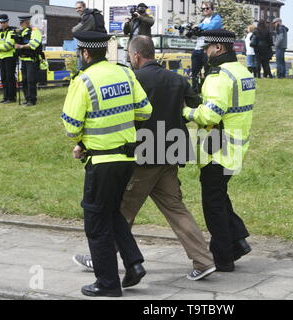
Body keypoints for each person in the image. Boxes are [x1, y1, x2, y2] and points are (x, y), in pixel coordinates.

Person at [73, 36, 217, 281]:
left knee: (120, 210)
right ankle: (203, 260)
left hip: (143, 154)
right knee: (176, 209)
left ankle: (102, 259)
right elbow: (195, 108)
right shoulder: (177, 79)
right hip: (171, 152)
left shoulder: (132, 79)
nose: (130, 59)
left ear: (136, 56)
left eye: (130, 55)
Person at [62, 31, 152, 297]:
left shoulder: (83, 80)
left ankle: (107, 284)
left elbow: (71, 126)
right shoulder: (124, 73)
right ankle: (134, 264)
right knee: (112, 213)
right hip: (126, 159)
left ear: (86, 53)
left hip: (101, 162)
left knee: (96, 222)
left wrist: (81, 141)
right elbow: (145, 110)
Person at [182, 29, 255, 272]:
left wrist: (186, 112)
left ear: (219, 49)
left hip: (217, 149)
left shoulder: (218, 76)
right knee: (220, 196)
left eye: (207, 48)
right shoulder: (243, 72)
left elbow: (210, 114)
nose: (204, 52)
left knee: (213, 203)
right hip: (235, 147)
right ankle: (238, 241)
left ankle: (223, 258)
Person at [190, 1, 222, 92]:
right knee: (195, 72)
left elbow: (211, 27)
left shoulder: (217, 18)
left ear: (212, 9)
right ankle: (195, 89)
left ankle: (208, 89)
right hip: (197, 49)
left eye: (207, 8)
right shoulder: (202, 20)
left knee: (208, 71)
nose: (205, 10)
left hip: (208, 49)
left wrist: (199, 26)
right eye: (203, 9)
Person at [15, 16, 42, 106]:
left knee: (31, 80)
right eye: (20, 23)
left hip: (32, 60)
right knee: (25, 81)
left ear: (27, 22)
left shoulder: (35, 31)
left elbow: (34, 44)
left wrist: (21, 46)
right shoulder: (22, 32)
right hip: (23, 59)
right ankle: (27, 98)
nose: (20, 24)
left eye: (22, 22)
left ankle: (32, 100)